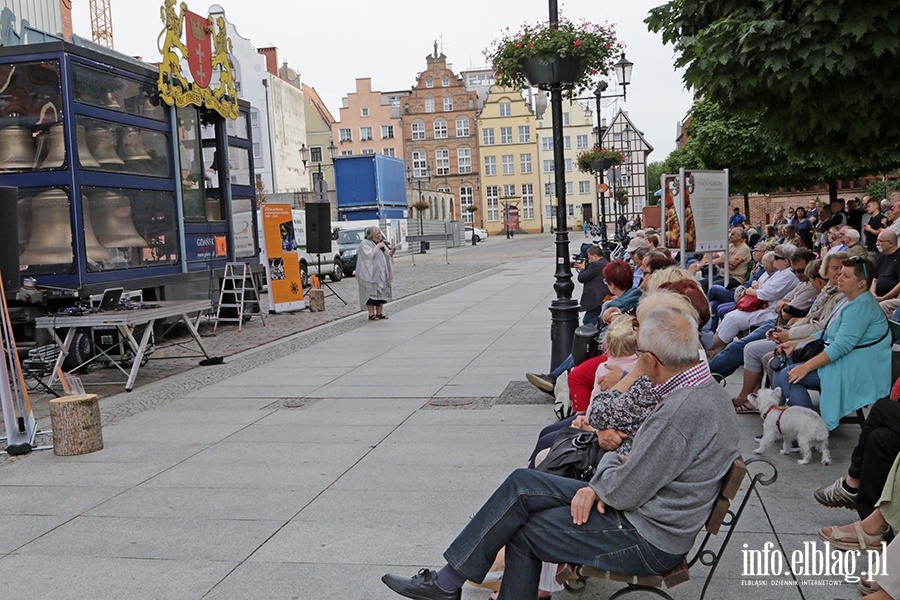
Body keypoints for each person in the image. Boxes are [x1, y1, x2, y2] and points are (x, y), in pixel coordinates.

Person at [382, 305, 740, 600]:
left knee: (525, 532)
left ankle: (446, 583)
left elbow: (627, 487)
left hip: (647, 534)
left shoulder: (681, 411)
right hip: (649, 513)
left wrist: (602, 479)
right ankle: (446, 582)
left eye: (639, 356)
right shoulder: (699, 388)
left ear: (650, 359)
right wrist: (613, 472)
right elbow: (635, 469)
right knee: (523, 483)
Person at [773, 257, 891, 429]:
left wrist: (806, 367)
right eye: (841, 274)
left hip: (857, 367)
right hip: (845, 360)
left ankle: (808, 431)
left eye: (846, 276)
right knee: (783, 361)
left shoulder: (861, 307)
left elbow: (840, 347)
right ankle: (781, 422)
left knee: (788, 376)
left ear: (861, 283)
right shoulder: (848, 300)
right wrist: (795, 343)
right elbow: (828, 333)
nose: (839, 278)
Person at [707, 243, 800, 352]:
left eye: (776, 257)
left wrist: (749, 290)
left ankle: (712, 348)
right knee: (720, 308)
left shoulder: (788, 274)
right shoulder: (781, 272)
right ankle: (714, 348)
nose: (773, 260)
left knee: (731, 317)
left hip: (770, 311)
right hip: (761, 306)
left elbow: (767, 293)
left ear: (785, 261)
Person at [356, 226, 395, 320]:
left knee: (381, 294)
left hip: (381, 273)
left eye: (379, 233)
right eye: (377, 234)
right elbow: (368, 256)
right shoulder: (365, 243)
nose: (379, 235)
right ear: (371, 234)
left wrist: (390, 253)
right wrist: (377, 247)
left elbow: (385, 254)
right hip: (369, 274)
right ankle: (371, 314)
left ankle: (380, 313)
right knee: (371, 295)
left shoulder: (380, 243)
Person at [574, 245, 609, 326]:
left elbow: (582, 278)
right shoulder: (604, 262)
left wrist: (582, 269)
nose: (588, 261)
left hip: (596, 300)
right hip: (602, 298)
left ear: (595, 256)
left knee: (588, 321)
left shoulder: (595, 265)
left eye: (589, 258)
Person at [872, 230, 900, 317]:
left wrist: (884, 298)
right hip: (878, 297)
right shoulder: (881, 257)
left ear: (890, 243)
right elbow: (875, 279)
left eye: (880, 241)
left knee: (881, 307)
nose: (877, 244)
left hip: (891, 299)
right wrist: (873, 294)